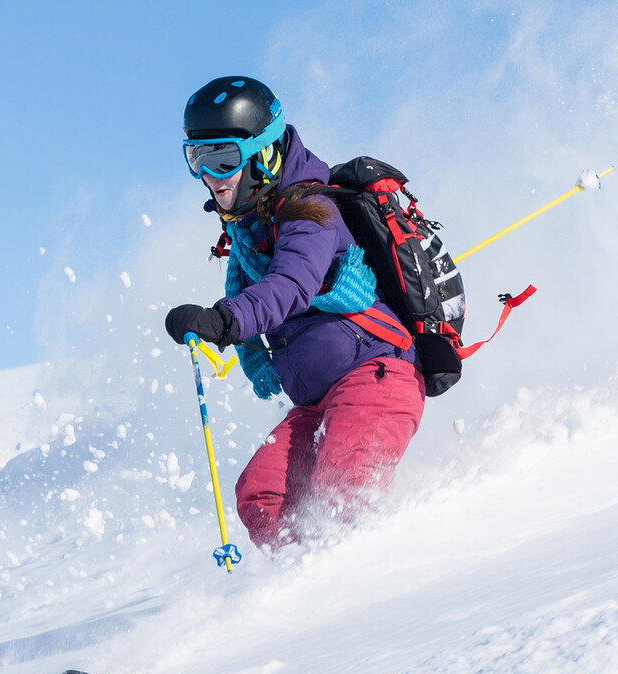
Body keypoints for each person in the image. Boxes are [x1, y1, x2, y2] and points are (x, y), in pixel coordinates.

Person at [164, 77, 425, 551]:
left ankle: (370, 586)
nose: (212, 175)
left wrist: (224, 322)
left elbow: (290, 285)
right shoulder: (248, 231)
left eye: (224, 158)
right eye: (197, 159)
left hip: (378, 375)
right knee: (261, 498)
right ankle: (297, 588)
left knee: (345, 485)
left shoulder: (311, 209)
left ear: (263, 154)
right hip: (316, 401)